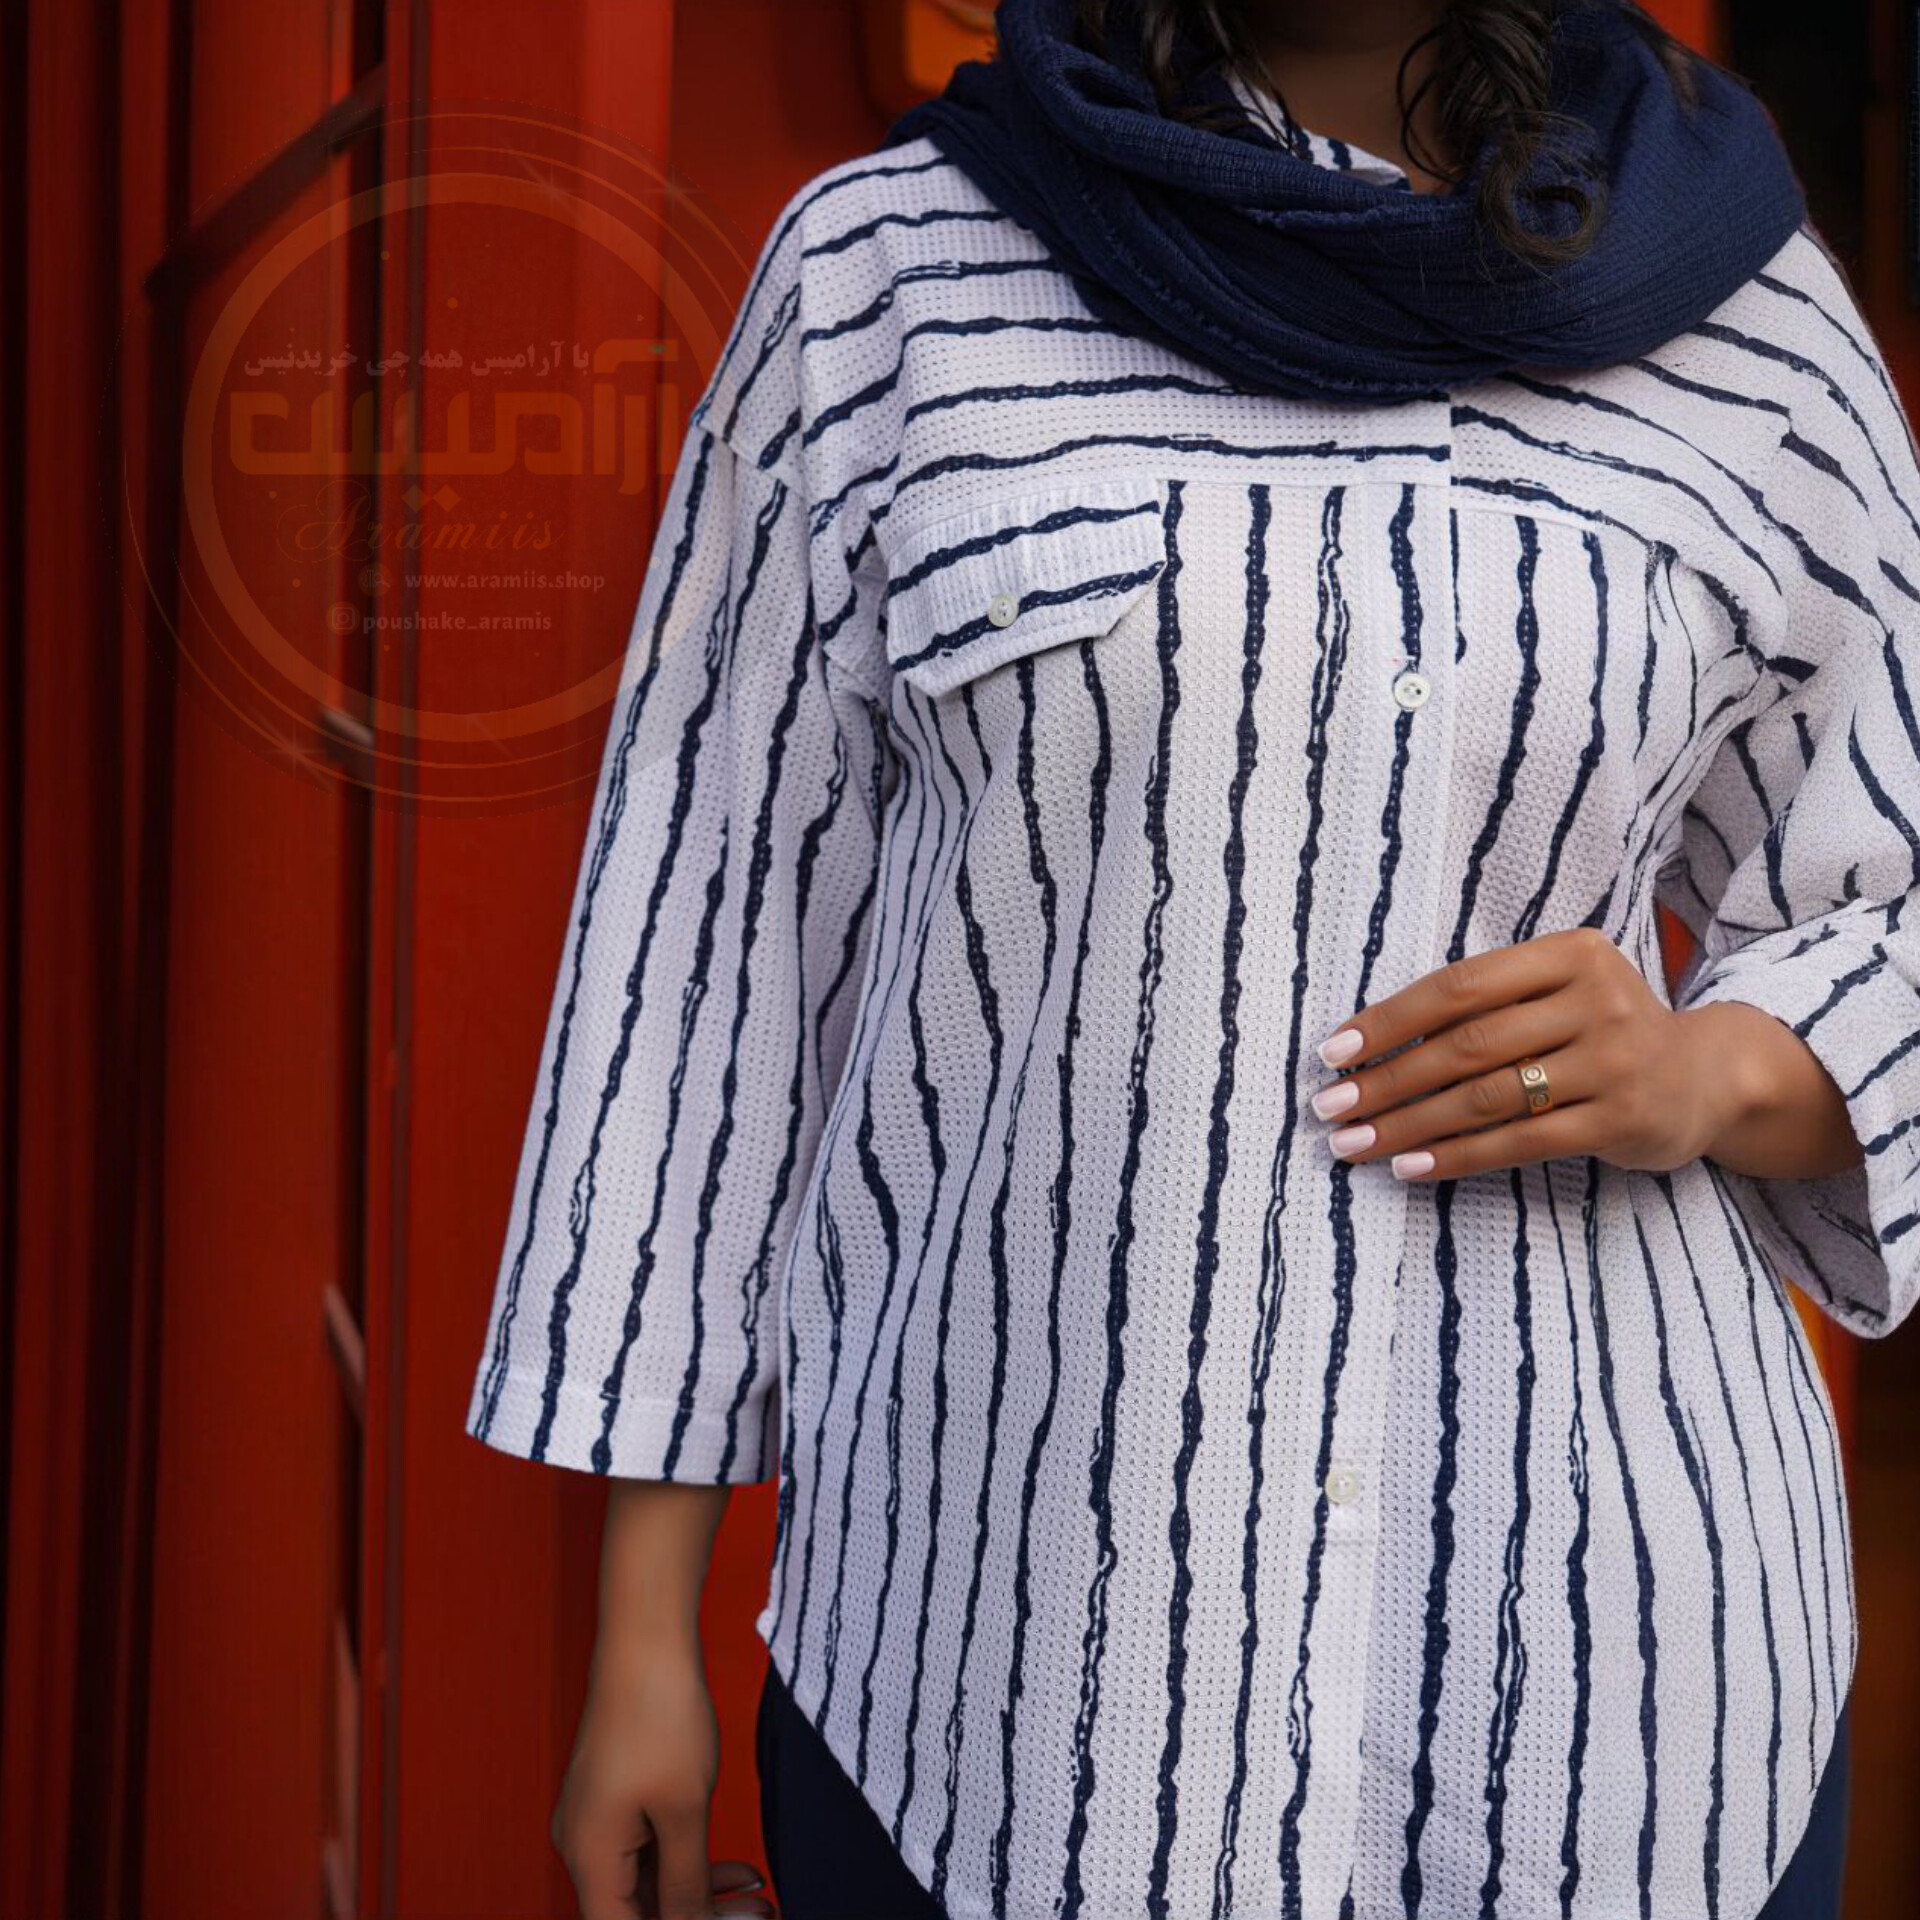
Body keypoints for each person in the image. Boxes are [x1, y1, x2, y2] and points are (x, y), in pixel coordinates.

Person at [463, 1, 1918, 1914]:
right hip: (1002, 1692)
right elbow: (705, 950)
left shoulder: (1750, 319)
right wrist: (646, 1637)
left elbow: (1893, 890)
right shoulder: (890, 275)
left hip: (1613, 1707)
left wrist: (1710, 1066)